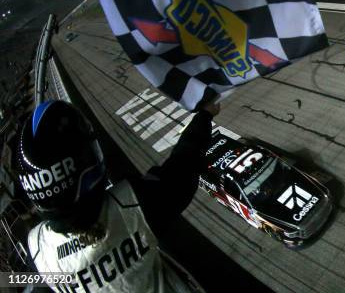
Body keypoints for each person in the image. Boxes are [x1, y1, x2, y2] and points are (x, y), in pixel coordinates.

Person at [17, 99, 218, 292]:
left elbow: (27, 284)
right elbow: (182, 167)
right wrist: (205, 117)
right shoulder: (132, 204)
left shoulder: (38, 252)